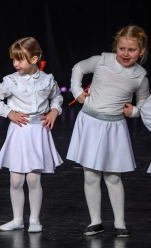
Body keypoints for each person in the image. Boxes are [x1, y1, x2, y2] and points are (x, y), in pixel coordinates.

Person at [66, 25, 149, 238]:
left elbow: (143, 103)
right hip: (91, 122)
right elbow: (78, 68)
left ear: (141, 51)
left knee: (113, 176)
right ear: (116, 47)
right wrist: (78, 93)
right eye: (122, 48)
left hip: (114, 127)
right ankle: (95, 221)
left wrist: (135, 112)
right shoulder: (102, 60)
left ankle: (120, 223)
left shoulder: (140, 76)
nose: (126, 54)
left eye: (131, 50)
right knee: (91, 174)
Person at [0, 37, 63, 232]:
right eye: (14, 59)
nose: (15, 64)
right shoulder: (11, 81)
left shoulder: (47, 79)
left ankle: (34, 220)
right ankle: (17, 219)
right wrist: (9, 113)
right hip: (19, 131)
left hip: (38, 132)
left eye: (20, 59)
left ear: (34, 59)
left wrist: (54, 110)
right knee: (16, 179)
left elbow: (57, 96)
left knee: (34, 178)